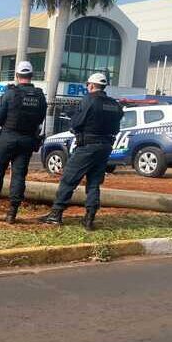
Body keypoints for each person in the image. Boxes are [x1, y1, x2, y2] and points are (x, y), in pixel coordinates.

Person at [39, 73, 124, 231]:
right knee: (94, 183)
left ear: (91, 85)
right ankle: (89, 218)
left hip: (87, 146)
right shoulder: (114, 104)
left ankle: (55, 215)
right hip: (105, 147)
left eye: (87, 85)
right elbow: (116, 125)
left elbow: (77, 125)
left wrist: (74, 116)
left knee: (68, 179)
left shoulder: (89, 100)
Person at [0, 61, 47, 224]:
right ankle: (12, 214)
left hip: (8, 137)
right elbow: (41, 117)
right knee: (19, 176)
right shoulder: (40, 96)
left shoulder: (10, 93)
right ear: (31, 76)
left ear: (17, 76)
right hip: (27, 139)